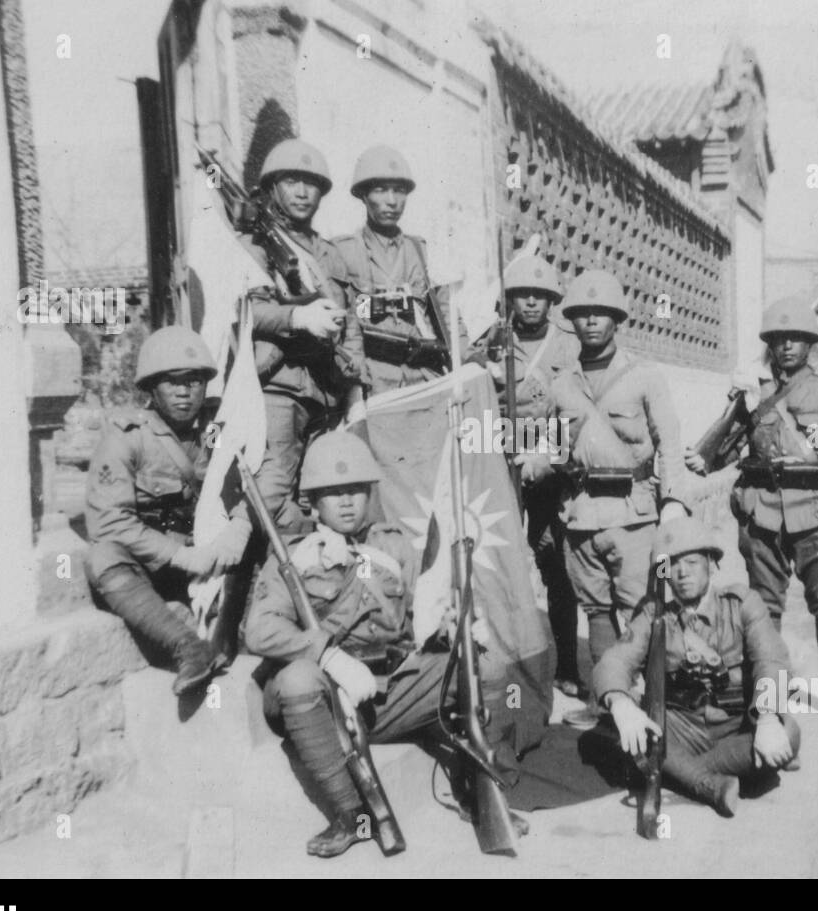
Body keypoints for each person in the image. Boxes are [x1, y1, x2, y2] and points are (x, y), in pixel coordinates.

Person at [243, 431, 523, 857]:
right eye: (332, 493)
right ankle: (350, 815)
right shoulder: (295, 555)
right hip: (328, 699)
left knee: (487, 667)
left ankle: (480, 789)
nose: (346, 501)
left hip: (389, 690)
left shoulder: (392, 546)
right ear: (313, 501)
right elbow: (259, 630)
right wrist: (327, 654)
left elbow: (418, 618)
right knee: (297, 680)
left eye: (355, 489)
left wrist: (449, 628)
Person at [532, 269, 688, 725]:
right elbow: (549, 446)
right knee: (597, 613)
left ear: (617, 319)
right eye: (582, 314)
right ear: (572, 322)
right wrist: (537, 461)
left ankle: (664, 704)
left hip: (636, 515)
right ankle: (610, 708)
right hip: (580, 517)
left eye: (601, 313)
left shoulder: (644, 376)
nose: (592, 322)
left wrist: (674, 500)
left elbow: (670, 441)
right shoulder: (561, 384)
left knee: (647, 609)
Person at [689, 295, 818, 687]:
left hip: (817, 515)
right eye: (779, 338)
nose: (787, 345)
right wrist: (739, 402)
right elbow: (720, 451)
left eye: (797, 338)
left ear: (810, 344)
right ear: (770, 344)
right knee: (764, 606)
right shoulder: (754, 390)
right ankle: (768, 691)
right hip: (761, 511)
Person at [594, 517, 800, 817]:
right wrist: (621, 705)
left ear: (710, 563)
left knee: (788, 735)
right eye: (672, 565)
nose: (682, 573)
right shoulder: (654, 614)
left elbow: (772, 661)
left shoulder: (741, 603)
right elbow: (615, 660)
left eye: (691, 562)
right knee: (617, 725)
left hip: (736, 725)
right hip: (679, 727)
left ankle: (678, 774)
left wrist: (767, 719)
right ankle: (709, 785)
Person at [85, 327, 252, 695]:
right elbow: (110, 522)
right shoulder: (128, 437)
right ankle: (187, 647)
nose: (183, 392)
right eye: (171, 382)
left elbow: (244, 478)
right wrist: (180, 556)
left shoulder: (213, 430)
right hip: (156, 560)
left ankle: (232, 640)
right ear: (151, 388)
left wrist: (239, 527)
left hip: (207, 555)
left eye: (193, 381)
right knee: (103, 558)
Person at [465, 254, 581, 693]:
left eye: (539, 295)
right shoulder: (493, 338)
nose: (530, 302)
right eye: (521, 295)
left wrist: (545, 457)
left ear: (552, 300)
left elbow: (578, 413)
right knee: (499, 559)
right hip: (502, 463)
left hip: (552, 467)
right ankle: (505, 659)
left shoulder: (568, 345)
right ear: (509, 299)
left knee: (558, 566)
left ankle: (567, 667)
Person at [242, 138, 368, 532]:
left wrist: (355, 391)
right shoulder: (256, 247)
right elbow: (249, 312)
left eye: (311, 184)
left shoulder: (330, 254)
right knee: (273, 493)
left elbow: (350, 325)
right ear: (273, 187)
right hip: (280, 388)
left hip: (327, 391)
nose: (301, 192)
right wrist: (298, 316)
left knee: (323, 492)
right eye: (292, 181)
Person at [332, 145, 462, 395]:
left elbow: (448, 315)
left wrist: (468, 358)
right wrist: (355, 390)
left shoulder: (422, 251)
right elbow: (347, 323)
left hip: (424, 377)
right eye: (380, 190)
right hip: (374, 381)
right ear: (363, 195)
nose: (392, 201)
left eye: (399, 191)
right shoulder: (345, 251)